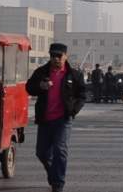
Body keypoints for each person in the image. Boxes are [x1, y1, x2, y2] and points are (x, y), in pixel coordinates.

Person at [26, 43, 86, 192]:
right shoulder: (41, 72)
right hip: (45, 119)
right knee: (42, 152)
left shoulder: (74, 74)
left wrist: (74, 110)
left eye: (59, 56)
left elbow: (82, 95)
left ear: (65, 56)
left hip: (63, 119)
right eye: (53, 56)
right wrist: (41, 86)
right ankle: (53, 173)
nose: (56, 59)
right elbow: (29, 88)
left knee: (60, 149)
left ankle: (58, 184)